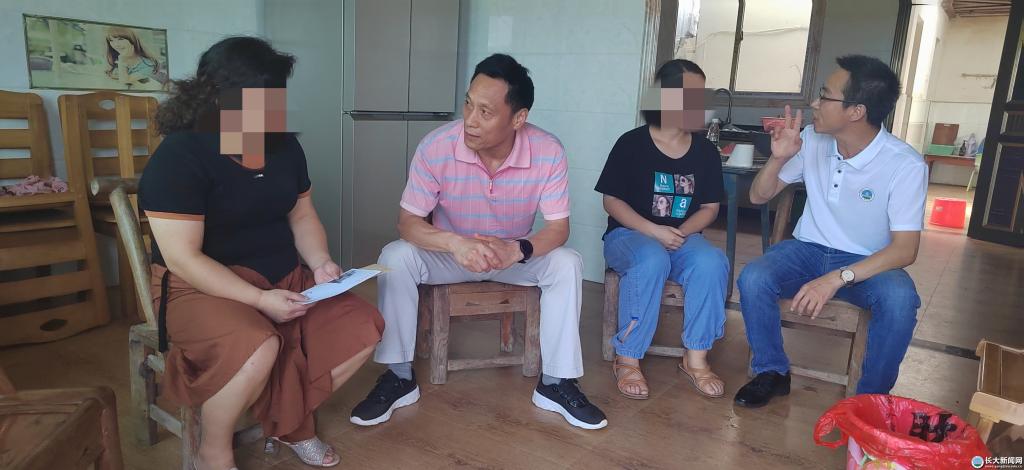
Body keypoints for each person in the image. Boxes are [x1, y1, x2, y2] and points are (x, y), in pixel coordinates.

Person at [140, 36, 384, 469]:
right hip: (199, 288)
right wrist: (258, 299)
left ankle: (289, 422)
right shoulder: (180, 155)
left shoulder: (284, 147)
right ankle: (213, 449)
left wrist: (320, 262)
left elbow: (302, 215)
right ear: (217, 97)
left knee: (362, 325)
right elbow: (183, 259)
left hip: (284, 277)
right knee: (258, 345)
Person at [350, 53, 607, 430]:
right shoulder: (437, 146)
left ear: (518, 118)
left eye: (485, 112)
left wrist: (517, 249)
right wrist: (455, 244)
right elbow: (408, 223)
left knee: (567, 263)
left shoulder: (547, 151)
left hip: (511, 256)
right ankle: (398, 376)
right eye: (468, 104)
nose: (470, 119)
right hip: (451, 255)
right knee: (395, 256)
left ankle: (556, 383)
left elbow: (558, 228)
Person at [734, 55, 927, 408]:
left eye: (825, 96)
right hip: (807, 250)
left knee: (900, 301)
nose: (814, 103)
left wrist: (836, 278)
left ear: (856, 111)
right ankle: (772, 371)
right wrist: (778, 157)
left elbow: (905, 250)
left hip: (867, 263)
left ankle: (869, 403)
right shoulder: (811, 139)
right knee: (754, 278)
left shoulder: (905, 164)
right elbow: (758, 196)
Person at [595, 59, 729, 400]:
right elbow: (611, 201)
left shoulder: (705, 151)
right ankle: (628, 357)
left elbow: (710, 208)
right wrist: (655, 232)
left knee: (711, 262)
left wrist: (678, 233)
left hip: (682, 236)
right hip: (629, 236)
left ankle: (695, 358)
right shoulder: (631, 144)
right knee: (652, 258)